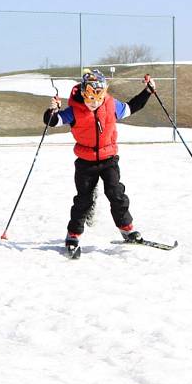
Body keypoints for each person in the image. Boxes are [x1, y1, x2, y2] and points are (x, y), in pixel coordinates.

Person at [43, 70, 155, 252]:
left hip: (109, 159)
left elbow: (132, 107)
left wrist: (147, 92)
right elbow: (52, 121)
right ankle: (73, 234)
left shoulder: (111, 105)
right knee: (83, 200)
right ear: (83, 94)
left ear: (104, 94)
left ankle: (127, 229)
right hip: (85, 161)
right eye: (89, 99)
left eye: (97, 99)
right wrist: (52, 110)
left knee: (116, 193)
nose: (93, 103)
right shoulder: (75, 111)